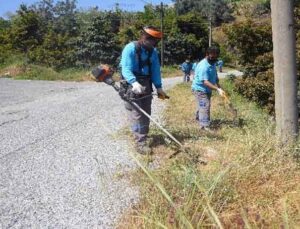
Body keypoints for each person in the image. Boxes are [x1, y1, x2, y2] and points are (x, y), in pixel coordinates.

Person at [120, 26, 168, 154]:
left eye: (155, 42)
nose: (153, 44)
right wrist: (134, 82)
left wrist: (159, 87)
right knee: (137, 114)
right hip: (131, 84)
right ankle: (140, 143)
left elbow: (155, 70)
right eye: (151, 40)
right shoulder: (130, 48)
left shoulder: (153, 52)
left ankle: (144, 135)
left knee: (147, 112)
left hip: (147, 83)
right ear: (144, 37)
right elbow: (125, 68)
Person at [192, 47, 225, 130]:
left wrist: (220, 87)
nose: (214, 58)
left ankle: (198, 118)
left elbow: (215, 76)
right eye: (212, 57)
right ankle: (204, 126)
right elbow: (205, 82)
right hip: (200, 89)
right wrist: (217, 89)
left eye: (216, 57)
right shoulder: (203, 66)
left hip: (207, 89)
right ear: (207, 55)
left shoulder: (212, 63)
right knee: (205, 105)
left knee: (202, 104)